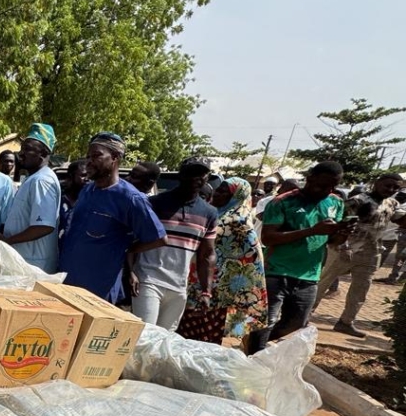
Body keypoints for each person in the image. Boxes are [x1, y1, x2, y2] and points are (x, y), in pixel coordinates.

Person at [57, 132, 166, 301]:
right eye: (88, 156)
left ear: (115, 157)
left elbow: (159, 238)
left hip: (98, 292)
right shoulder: (88, 190)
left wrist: (127, 249)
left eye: (96, 156)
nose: (89, 161)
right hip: (66, 283)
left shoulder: (130, 199)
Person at [258, 161, 350, 347]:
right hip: (276, 271)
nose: (327, 190)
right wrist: (312, 231)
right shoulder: (282, 202)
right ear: (309, 179)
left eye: (332, 186)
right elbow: (268, 238)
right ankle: (253, 354)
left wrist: (342, 234)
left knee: (296, 323)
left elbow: (332, 241)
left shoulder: (336, 203)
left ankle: (253, 345)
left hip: (310, 275)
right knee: (265, 322)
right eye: (322, 185)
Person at [313, 172, 406, 337]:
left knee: (361, 289)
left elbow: (401, 219)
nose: (391, 190)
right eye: (388, 185)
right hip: (344, 249)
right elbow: (338, 222)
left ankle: (346, 322)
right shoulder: (357, 201)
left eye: (395, 188)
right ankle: (304, 315)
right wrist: (342, 244)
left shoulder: (392, 203)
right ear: (377, 183)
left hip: (371, 253)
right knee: (324, 282)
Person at [130, 156, 217, 331]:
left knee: (165, 339)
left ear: (207, 177)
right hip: (148, 280)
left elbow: (207, 255)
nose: (196, 178)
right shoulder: (155, 203)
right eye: (191, 173)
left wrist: (206, 291)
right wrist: (131, 272)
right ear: (181, 175)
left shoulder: (209, 213)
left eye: (201, 174)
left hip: (179, 287)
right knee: (144, 335)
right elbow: (132, 241)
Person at [177, 177, 268, 345]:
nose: (217, 193)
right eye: (218, 189)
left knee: (202, 339)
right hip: (195, 284)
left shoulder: (238, 224)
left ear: (236, 196)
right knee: (185, 334)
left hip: (215, 293)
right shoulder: (216, 214)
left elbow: (252, 261)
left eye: (223, 191)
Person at [0, 124, 61, 272]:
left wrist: (7, 241)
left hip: (34, 265)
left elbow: (44, 226)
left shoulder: (42, 181)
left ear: (43, 153)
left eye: (27, 149)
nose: (21, 154)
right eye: (22, 149)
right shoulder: (32, 179)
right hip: (24, 262)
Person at [57, 158, 88, 241]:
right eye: (83, 175)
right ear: (71, 177)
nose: (87, 179)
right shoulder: (58, 201)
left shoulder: (94, 202)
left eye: (90, 175)